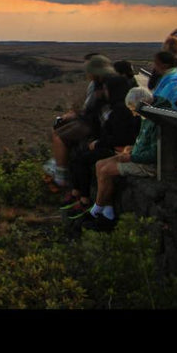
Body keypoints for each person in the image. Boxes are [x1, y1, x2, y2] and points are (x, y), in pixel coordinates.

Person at [62, 75, 142, 215]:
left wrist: (99, 143)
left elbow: (119, 137)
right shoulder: (117, 106)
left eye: (106, 88)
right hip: (113, 146)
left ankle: (84, 199)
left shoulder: (121, 110)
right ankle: (81, 196)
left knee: (81, 160)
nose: (104, 91)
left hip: (117, 149)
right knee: (80, 156)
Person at [81, 87, 158, 232]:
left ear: (143, 104)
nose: (133, 113)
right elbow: (144, 143)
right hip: (137, 156)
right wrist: (132, 149)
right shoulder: (148, 116)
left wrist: (132, 156)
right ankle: (107, 212)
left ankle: (95, 211)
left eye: (133, 109)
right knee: (100, 165)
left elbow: (154, 153)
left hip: (147, 165)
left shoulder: (156, 120)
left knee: (106, 170)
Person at [45, 55, 116, 187]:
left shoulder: (104, 85)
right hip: (94, 121)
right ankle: (57, 162)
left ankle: (61, 174)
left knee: (59, 136)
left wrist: (76, 115)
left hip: (95, 125)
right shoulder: (101, 83)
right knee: (56, 129)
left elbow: (93, 109)